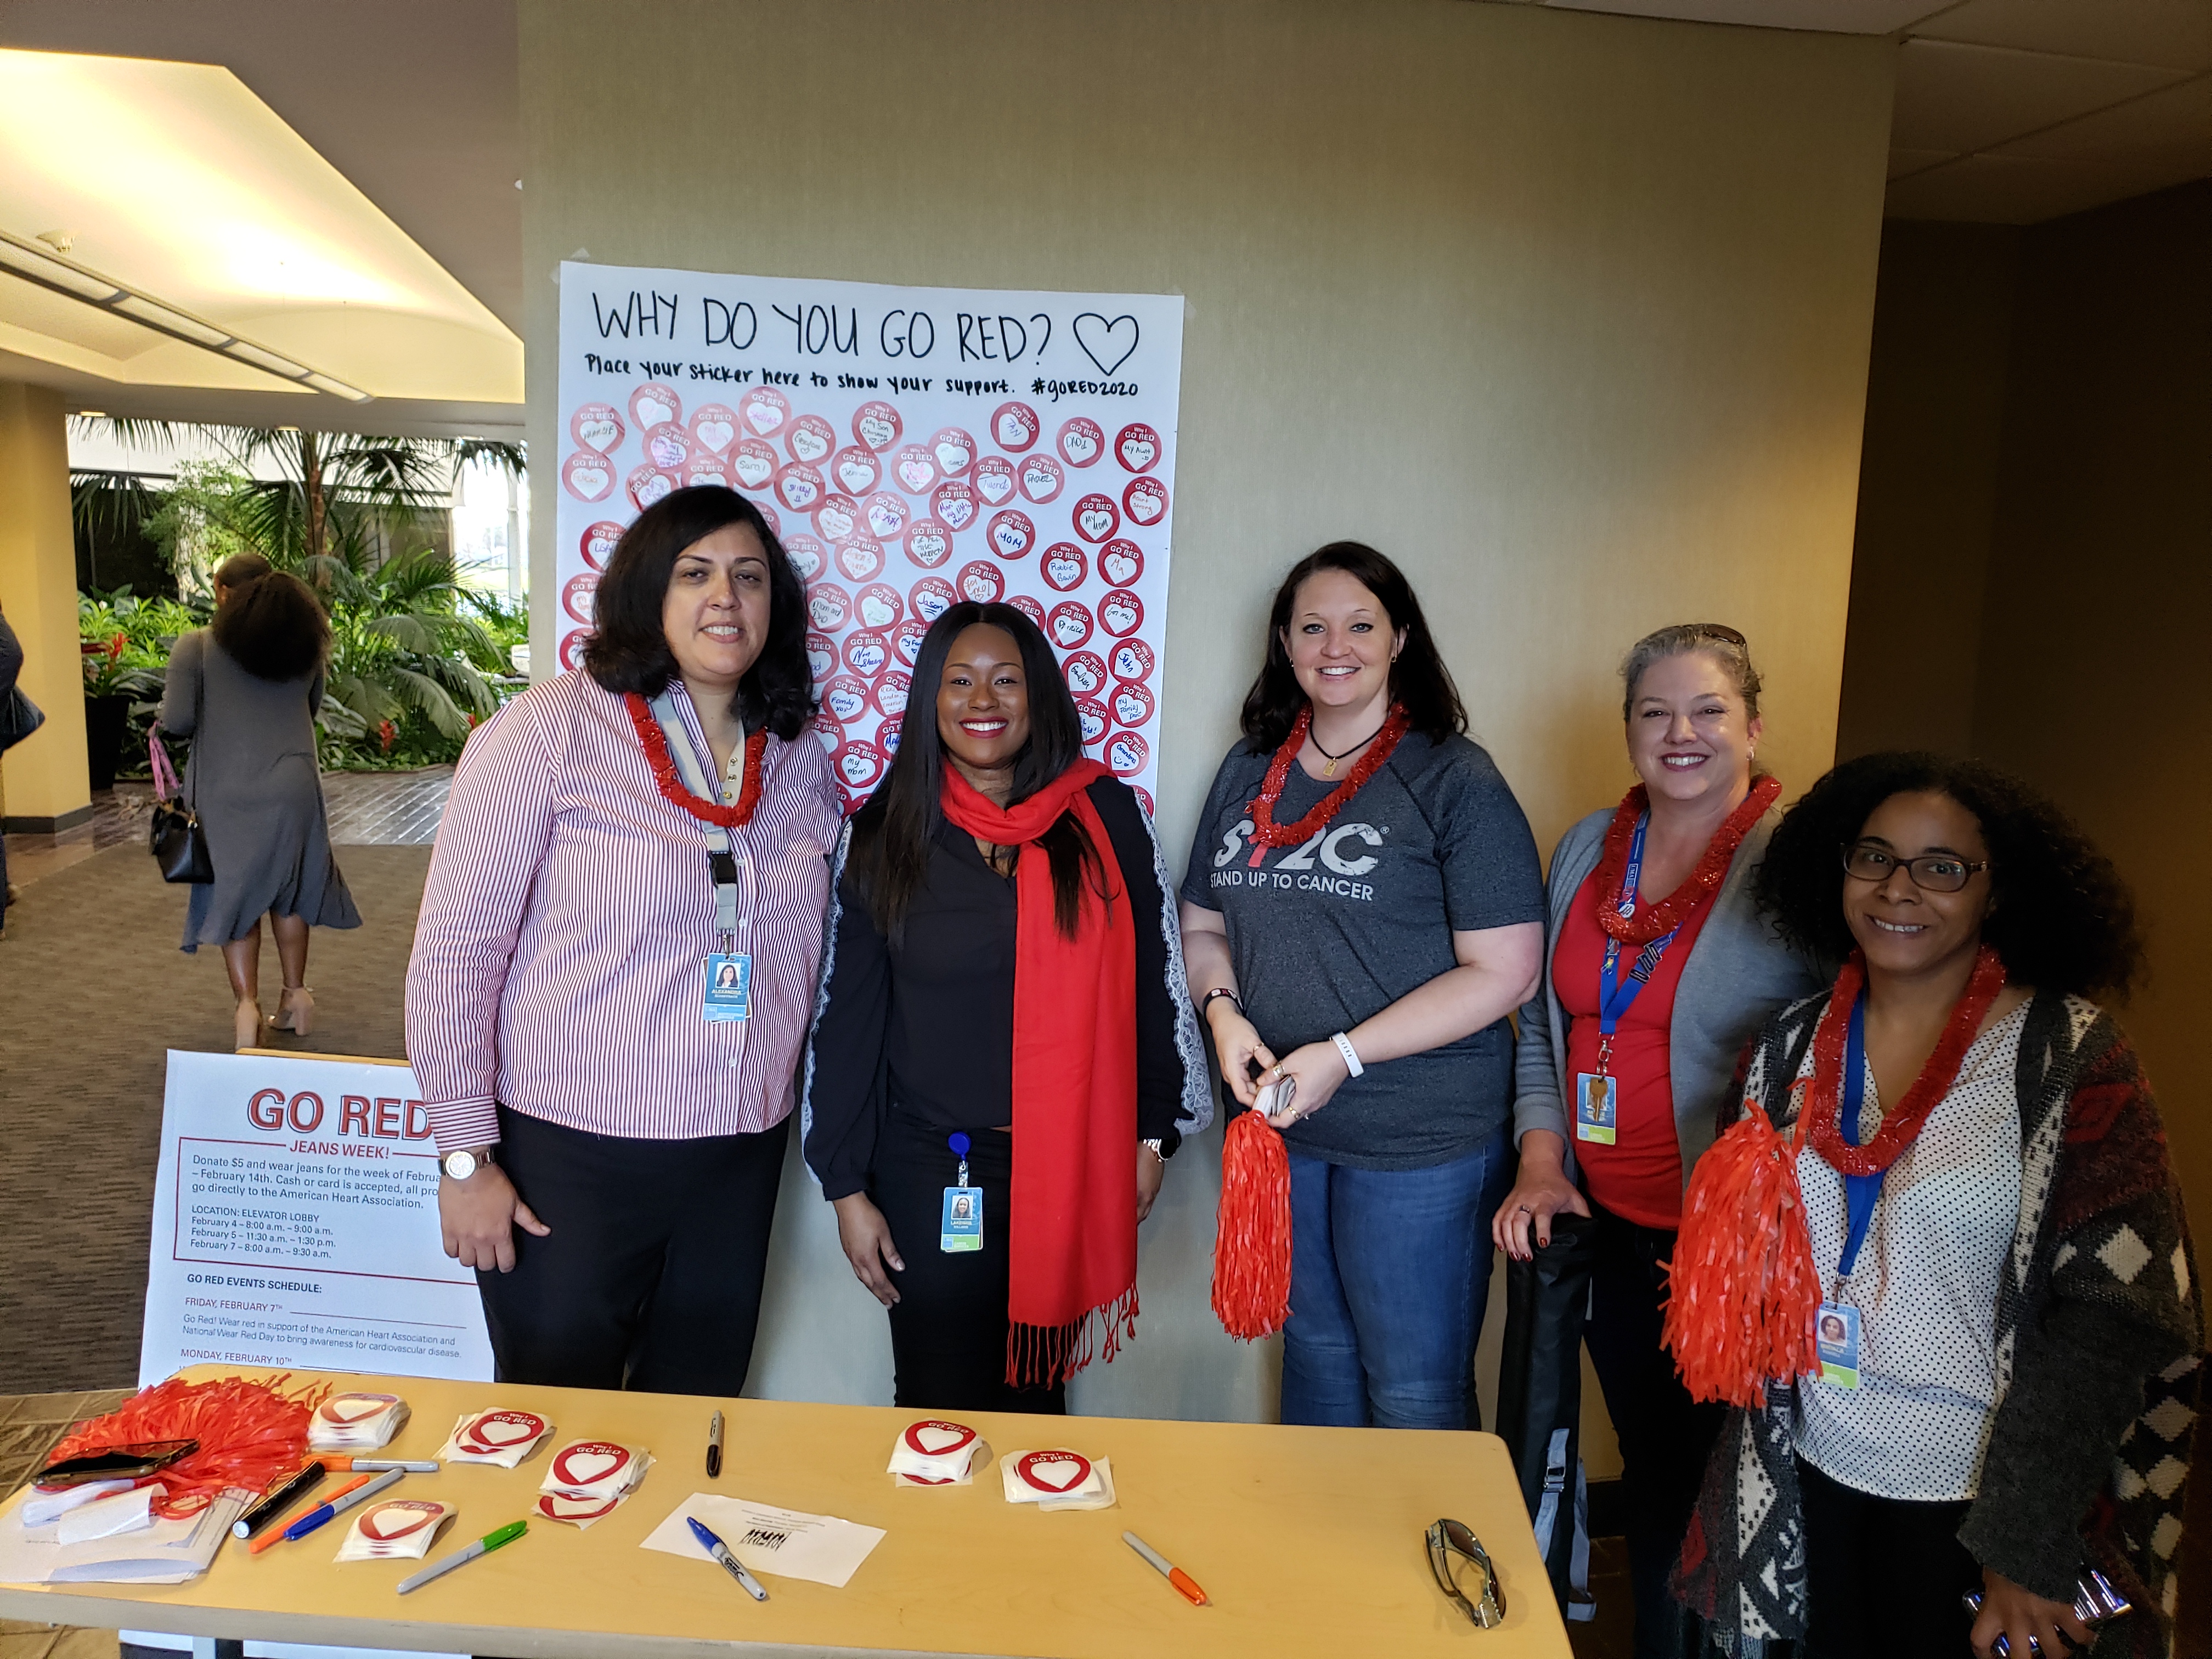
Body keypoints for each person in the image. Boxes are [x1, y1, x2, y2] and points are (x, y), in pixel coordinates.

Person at [1672, 753, 2199, 1659]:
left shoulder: (2069, 1057)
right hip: (1810, 1468)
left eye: (1941, 865)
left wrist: (2023, 1543)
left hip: (1982, 1497)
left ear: (1995, 891)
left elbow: (2117, 1315)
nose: (1897, 888)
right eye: (1873, 856)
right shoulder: (1784, 1047)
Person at [407, 486, 843, 1394]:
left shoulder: (798, 756)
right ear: (646, 592)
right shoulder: (546, 732)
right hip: (572, 1157)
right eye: (695, 573)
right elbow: (456, 951)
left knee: (697, 1417)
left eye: (749, 576)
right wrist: (464, 1157)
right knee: (556, 1429)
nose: (725, 596)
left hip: (737, 1152)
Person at [1491, 623, 1821, 1649]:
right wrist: (1544, 1155)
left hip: (1729, 1247)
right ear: (1628, 728)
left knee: (1725, 1486)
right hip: (1609, 1226)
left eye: (1708, 709)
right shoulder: (1592, 844)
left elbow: (1848, 1033)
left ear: (1754, 724)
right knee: (1652, 1465)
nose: (1680, 732)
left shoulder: (1800, 862)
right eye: (1653, 711)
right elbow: (1546, 1022)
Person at [804, 602, 1207, 1412]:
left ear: (1039, 697)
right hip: (931, 1166)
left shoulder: (1107, 817)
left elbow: (1157, 982)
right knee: (938, 1403)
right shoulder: (886, 834)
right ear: (930, 700)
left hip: (1071, 1157)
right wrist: (845, 1188)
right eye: (959, 680)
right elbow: (845, 1019)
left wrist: (1155, 1137)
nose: (981, 699)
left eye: (1004, 680)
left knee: (1034, 1399)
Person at [1180, 541, 1544, 1429]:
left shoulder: (1454, 777)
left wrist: (1345, 1052)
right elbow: (1202, 924)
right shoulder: (1247, 768)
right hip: (1281, 1127)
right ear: (1284, 641)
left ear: (1399, 638)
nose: (1333, 643)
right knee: (1314, 1357)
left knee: (1413, 1387)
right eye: (1312, 624)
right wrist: (1222, 1015)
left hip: (1419, 1136)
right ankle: (1323, 1569)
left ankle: (1427, 1570)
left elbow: (1506, 970)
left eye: (1359, 623)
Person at [160, 553, 360, 1049]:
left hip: (228, 791)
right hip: (295, 785)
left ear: (225, 593)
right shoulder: (306, 647)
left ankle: (247, 1007)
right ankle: (296, 997)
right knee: (289, 892)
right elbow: (309, 708)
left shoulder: (197, 648)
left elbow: (178, 721)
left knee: (238, 896)